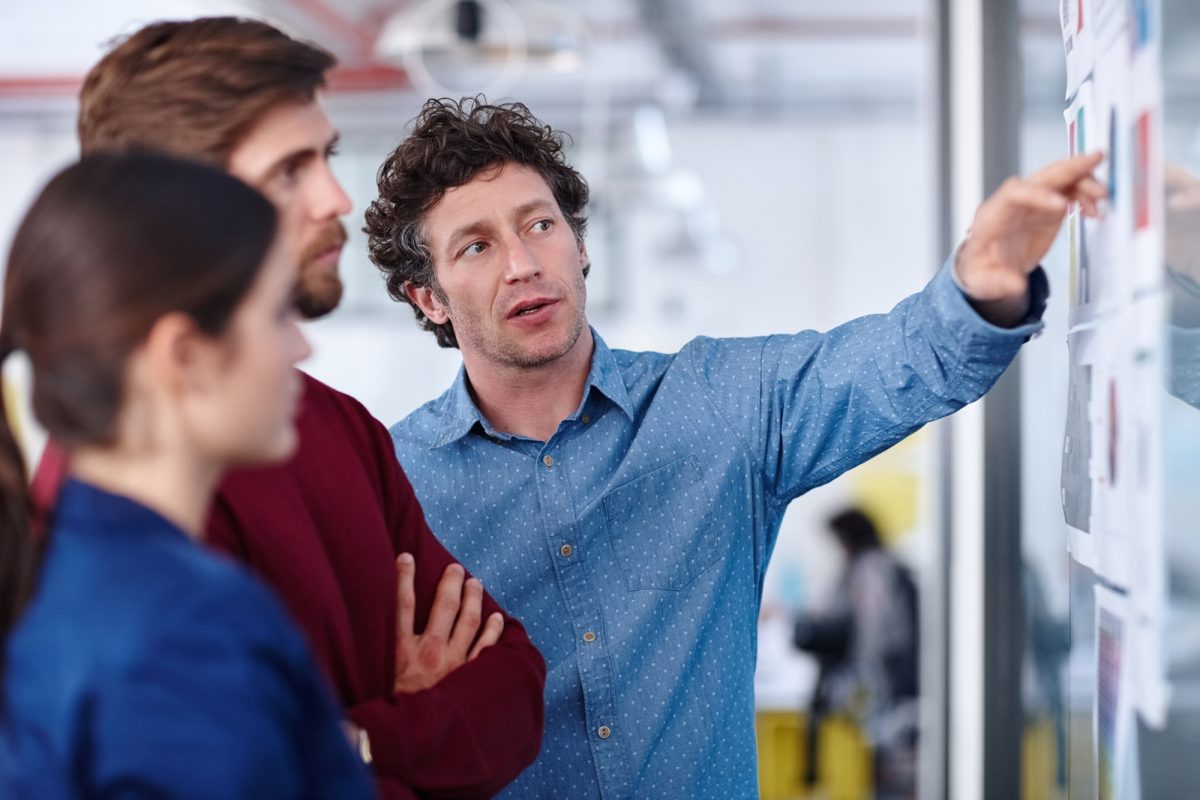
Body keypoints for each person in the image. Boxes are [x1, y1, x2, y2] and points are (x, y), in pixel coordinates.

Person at [369, 96, 1106, 798]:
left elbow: (897, 364)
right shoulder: (392, 485)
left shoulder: (718, 405)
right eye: (476, 245)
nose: (522, 263)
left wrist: (983, 282)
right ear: (427, 297)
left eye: (539, 225)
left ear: (582, 243)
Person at [34, 19, 546, 798]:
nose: (335, 197)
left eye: (327, 158)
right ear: (168, 201)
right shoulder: (117, 509)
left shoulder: (337, 427)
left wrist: (366, 737)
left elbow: (511, 682)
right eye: (289, 170)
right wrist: (397, 739)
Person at [0, 152, 374, 798]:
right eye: (276, 316)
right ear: (186, 355)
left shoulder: (51, 576)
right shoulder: (192, 631)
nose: (301, 347)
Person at [792, 508, 919, 800]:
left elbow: (856, 633)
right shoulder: (885, 567)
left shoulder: (869, 571)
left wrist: (806, 630)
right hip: (893, 690)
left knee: (885, 778)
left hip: (881, 693)